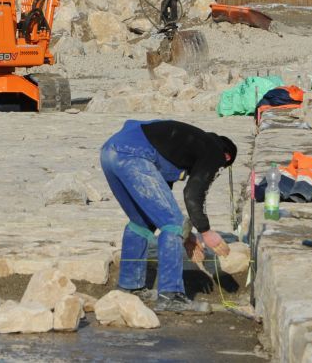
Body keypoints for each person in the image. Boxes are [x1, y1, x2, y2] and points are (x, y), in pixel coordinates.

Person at [99, 119, 237, 312]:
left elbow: (161, 204)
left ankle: (129, 287)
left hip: (110, 152)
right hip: (135, 156)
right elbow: (193, 195)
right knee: (173, 224)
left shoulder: (184, 146)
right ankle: (170, 295)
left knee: (141, 222)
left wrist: (188, 236)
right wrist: (205, 232)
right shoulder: (214, 151)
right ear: (227, 157)